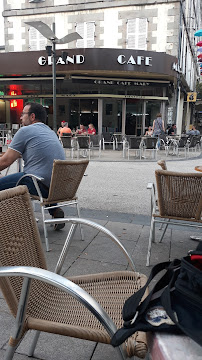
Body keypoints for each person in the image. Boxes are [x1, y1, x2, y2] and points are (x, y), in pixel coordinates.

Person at [0, 102, 66, 230]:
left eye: (23, 114)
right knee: (40, 175)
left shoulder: (25, 130)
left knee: (26, 178)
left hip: (36, 184)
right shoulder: (50, 131)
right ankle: (55, 210)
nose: (20, 118)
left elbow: (5, 162)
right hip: (55, 188)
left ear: (32, 116)